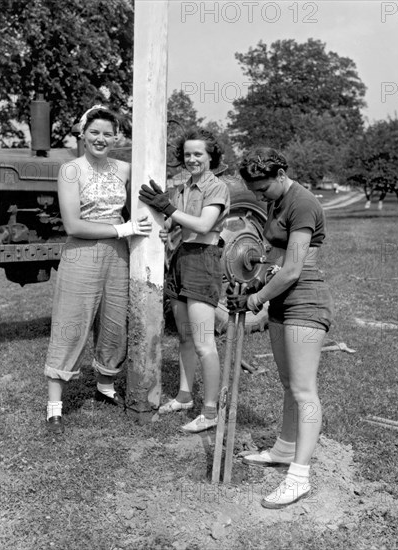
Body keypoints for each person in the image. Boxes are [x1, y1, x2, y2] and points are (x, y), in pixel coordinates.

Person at [227, 147, 334, 508]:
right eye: (254, 191)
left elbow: (293, 269)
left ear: (281, 175)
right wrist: (256, 283)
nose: (259, 197)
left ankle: (299, 477)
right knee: (288, 383)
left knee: (304, 389)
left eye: (263, 190)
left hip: (305, 302)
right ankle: (284, 450)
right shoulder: (276, 200)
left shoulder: (302, 203)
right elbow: (276, 258)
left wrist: (255, 301)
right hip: (281, 301)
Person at [44, 105, 152, 434]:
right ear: (83, 134)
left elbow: (153, 196)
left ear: (116, 137)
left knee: (114, 321)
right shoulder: (70, 170)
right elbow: (73, 224)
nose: (100, 139)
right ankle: (54, 406)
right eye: (94, 132)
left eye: (107, 133)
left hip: (117, 256)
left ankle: (105, 387)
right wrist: (123, 229)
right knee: (72, 321)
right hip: (82, 253)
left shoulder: (125, 169)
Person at [139, 128, 230, 433]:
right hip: (181, 258)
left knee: (205, 344)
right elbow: (171, 222)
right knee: (186, 338)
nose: (192, 159)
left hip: (204, 261)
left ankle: (211, 411)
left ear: (211, 156)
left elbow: (204, 224)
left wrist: (170, 210)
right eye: (188, 154)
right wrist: (165, 224)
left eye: (198, 154)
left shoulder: (217, 187)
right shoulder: (182, 187)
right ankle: (184, 396)